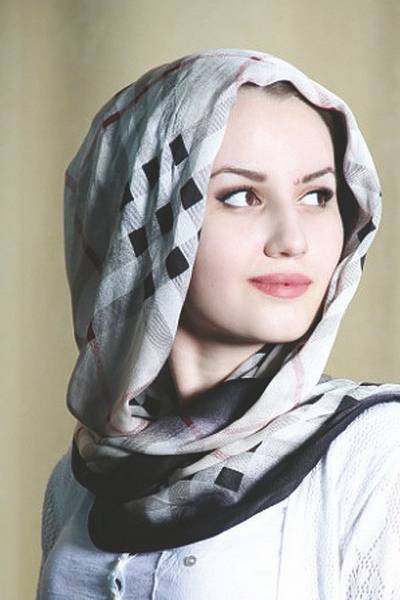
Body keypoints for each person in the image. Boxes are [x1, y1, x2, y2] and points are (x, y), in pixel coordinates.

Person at [37, 48, 400, 599]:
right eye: (241, 196)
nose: (293, 239)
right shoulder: (81, 478)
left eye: (317, 195)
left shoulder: (376, 451)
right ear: (145, 221)